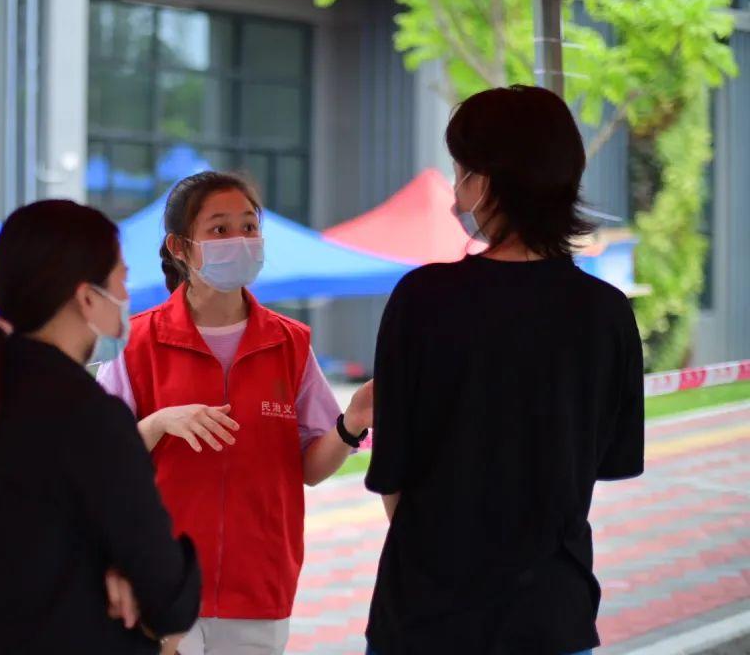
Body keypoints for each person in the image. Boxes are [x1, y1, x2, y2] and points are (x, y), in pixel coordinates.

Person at [364, 85, 645, 655]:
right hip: (552, 614)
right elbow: (606, 462)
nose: (456, 191)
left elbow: (392, 472)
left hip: (427, 615)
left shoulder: (423, 299)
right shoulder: (607, 312)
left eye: (459, 171)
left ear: (485, 182)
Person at [97, 171, 374, 655]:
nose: (240, 240)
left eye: (249, 226)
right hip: (160, 583)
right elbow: (99, 461)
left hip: (260, 583)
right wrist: (157, 424)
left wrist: (352, 423)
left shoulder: (289, 343)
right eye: (219, 229)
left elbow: (310, 469)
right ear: (179, 247)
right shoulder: (137, 343)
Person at [0, 200, 201, 654]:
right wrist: (132, 584)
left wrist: (112, 569)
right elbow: (167, 598)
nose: (126, 292)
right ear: (86, 298)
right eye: (121, 278)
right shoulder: (91, 418)